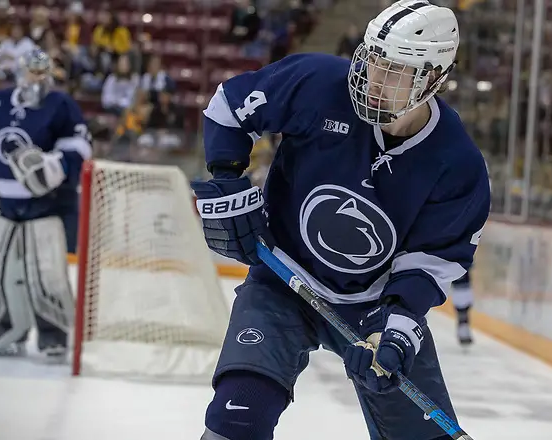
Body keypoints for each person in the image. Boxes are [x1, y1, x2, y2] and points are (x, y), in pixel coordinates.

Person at [191, 1, 490, 439]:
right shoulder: (319, 84)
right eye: (372, 60)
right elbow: (229, 106)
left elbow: (432, 262)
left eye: (394, 70)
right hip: (283, 278)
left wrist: (398, 334)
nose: (373, 79)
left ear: (433, 78)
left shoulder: (457, 163)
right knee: (237, 416)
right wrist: (227, 179)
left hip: (374, 305)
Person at [0, 49, 92, 359]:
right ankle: (1, 325)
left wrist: (51, 167)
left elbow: (80, 146)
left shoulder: (61, 104)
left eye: (42, 71)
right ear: (21, 71)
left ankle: (53, 331)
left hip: (46, 205)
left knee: (47, 272)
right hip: (2, 204)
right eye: (32, 71)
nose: (38, 77)